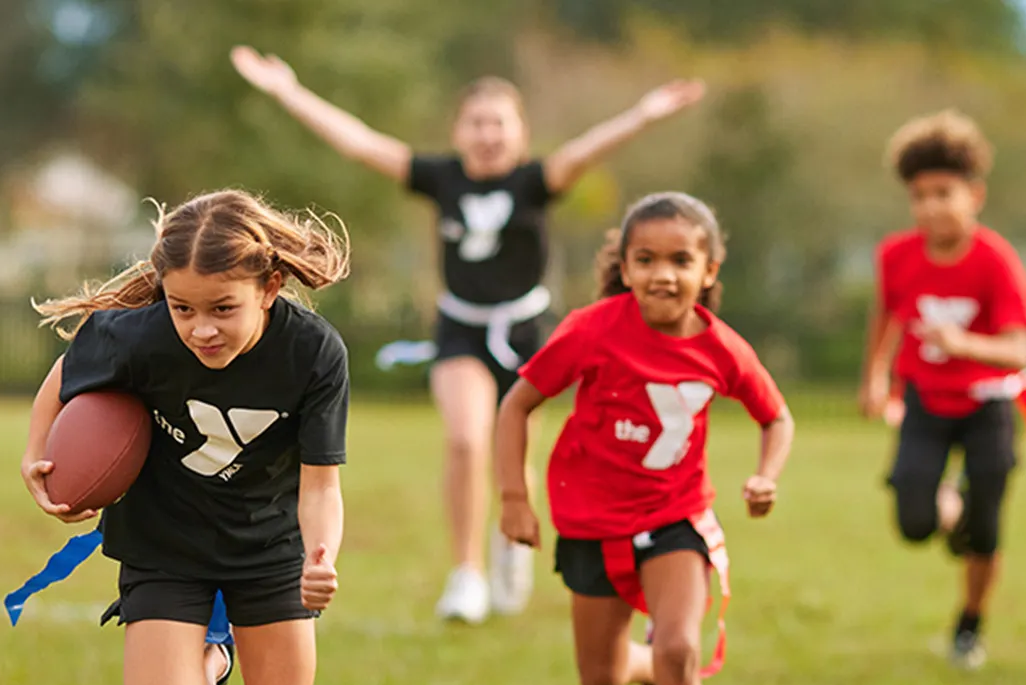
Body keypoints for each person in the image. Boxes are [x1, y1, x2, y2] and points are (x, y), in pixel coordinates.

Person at [231, 44, 708, 623]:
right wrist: (287, 90)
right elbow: (358, 142)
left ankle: (511, 545)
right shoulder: (441, 178)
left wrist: (645, 113)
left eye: (499, 124)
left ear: (520, 133)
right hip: (461, 329)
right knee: (465, 438)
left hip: (528, 331)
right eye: (477, 123)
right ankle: (467, 575)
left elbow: (587, 150)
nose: (488, 135)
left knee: (515, 450)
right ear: (459, 132)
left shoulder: (535, 181)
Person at [17, 190, 352, 685]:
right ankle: (207, 657)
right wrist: (35, 455)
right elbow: (68, 371)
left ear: (269, 289)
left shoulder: (313, 352)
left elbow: (322, 485)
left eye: (223, 308)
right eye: (182, 308)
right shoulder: (141, 337)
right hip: (164, 543)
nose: (201, 329)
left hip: (268, 549)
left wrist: (320, 557)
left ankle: (213, 654)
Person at [495, 192, 795, 685]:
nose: (664, 274)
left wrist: (767, 475)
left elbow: (777, 416)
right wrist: (513, 498)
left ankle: (668, 665)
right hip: (590, 518)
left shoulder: (723, 349)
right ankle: (650, 667)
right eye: (646, 259)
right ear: (626, 269)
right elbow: (516, 406)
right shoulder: (590, 331)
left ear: (709, 271)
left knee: (680, 651)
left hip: (675, 514)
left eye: (681, 260)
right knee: (600, 678)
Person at [857, 109, 1026, 670]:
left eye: (943, 192)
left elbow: (1020, 350)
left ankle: (969, 626)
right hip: (925, 400)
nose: (930, 206)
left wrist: (964, 344)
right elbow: (885, 315)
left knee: (987, 530)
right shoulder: (896, 255)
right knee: (914, 522)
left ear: (975, 194)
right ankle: (948, 506)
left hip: (988, 407)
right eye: (919, 195)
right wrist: (875, 376)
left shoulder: (995, 260)